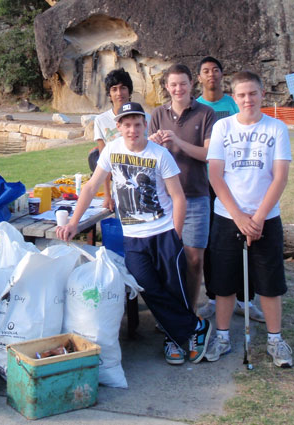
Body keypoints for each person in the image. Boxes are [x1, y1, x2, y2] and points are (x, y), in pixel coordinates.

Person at [58, 102, 212, 365]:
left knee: (174, 289)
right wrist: (73, 223)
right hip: (133, 236)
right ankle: (196, 327)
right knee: (148, 287)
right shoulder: (111, 151)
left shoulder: (160, 155)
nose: (132, 130)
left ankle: (174, 340)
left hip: (163, 232)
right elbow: (91, 186)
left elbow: (178, 197)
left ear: (145, 126)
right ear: (118, 128)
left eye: (137, 124)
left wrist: (175, 234)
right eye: (126, 125)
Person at [204, 70, 293, 367]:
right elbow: (215, 176)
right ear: (234, 97)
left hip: (265, 217)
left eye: (252, 93)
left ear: (262, 94)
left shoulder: (277, 128)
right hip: (228, 217)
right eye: (241, 95)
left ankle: (275, 340)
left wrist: (257, 218)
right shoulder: (222, 128)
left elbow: (279, 177)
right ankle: (224, 336)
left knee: (269, 282)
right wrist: (239, 216)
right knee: (224, 283)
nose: (247, 100)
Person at [195, 57, 265, 323]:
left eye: (215, 70)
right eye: (205, 71)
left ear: (222, 75)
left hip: (241, 182)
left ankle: (245, 299)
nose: (211, 75)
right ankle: (214, 297)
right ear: (199, 77)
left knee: (248, 242)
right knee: (215, 245)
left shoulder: (234, 102)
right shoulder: (197, 107)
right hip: (208, 184)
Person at [148, 64, 216, 314]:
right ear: (167, 87)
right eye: (173, 84)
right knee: (165, 258)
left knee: (194, 259)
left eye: (183, 84)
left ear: (191, 84)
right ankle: (168, 311)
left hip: (196, 195)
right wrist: (154, 145)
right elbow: (147, 155)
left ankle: (189, 310)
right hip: (163, 198)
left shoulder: (206, 113)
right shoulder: (157, 114)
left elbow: (209, 154)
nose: (178, 89)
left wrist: (177, 141)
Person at [89, 69, 136, 211]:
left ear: (129, 91)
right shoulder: (101, 121)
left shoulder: (145, 118)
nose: (119, 93)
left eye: (123, 88)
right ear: (109, 94)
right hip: (119, 189)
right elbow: (104, 161)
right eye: (114, 89)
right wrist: (107, 195)